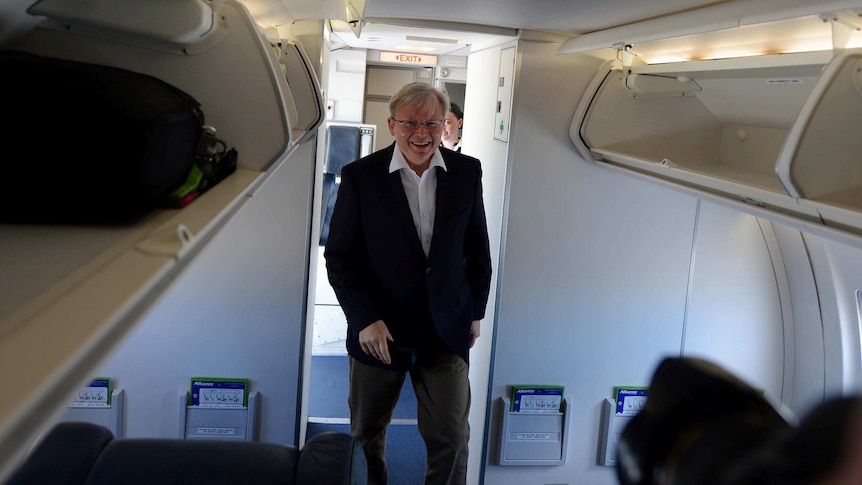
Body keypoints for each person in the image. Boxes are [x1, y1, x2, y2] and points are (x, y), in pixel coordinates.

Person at [324, 82, 492, 485]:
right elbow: (340, 258)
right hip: (379, 330)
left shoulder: (467, 172)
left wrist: (476, 311)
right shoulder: (360, 176)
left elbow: (478, 247)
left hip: (446, 327)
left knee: (452, 439)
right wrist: (364, 318)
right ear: (391, 125)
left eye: (433, 122)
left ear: (446, 125)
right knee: (366, 436)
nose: (422, 133)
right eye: (411, 123)